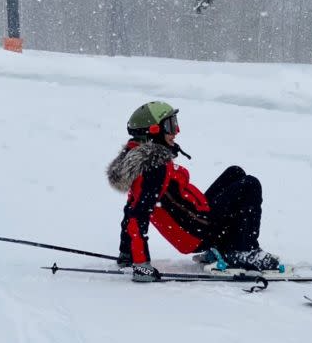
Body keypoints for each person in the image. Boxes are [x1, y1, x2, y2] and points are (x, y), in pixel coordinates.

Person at [106, 101, 280, 282]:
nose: (176, 131)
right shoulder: (154, 168)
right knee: (250, 185)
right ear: (153, 131)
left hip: (196, 220)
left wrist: (127, 253)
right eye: (170, 125)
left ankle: (228, 247)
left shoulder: (143, 163)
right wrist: (141, 265)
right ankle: (244, 251)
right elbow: (137, 214)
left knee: (235, 173)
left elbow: (131, 207)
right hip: (197, 232)